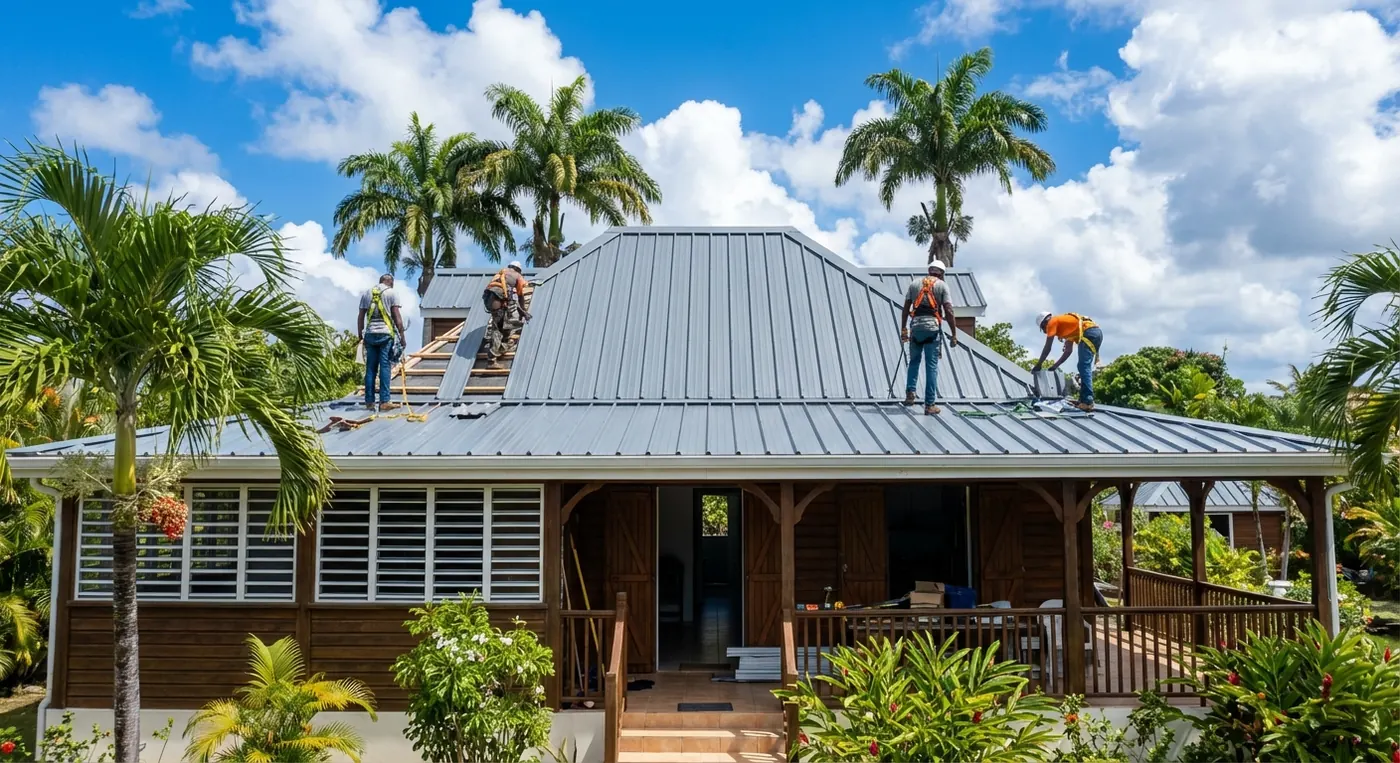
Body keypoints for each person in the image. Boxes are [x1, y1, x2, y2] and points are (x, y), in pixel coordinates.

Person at [900, 260, 958, 415]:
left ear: (930, 270)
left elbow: (906, 308)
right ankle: (929, 404)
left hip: (916, 328)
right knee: (931, 366)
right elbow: (949, 310)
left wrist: (903, 328)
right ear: (942, 273)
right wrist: (954, 333)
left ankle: (910, 395)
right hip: (932, 328)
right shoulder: (942, 286)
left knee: (914, 361)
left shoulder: (914, 284)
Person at [1031, 311, 1104, 411]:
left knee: (1083, 366)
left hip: (1090, 333)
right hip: (1094, 333)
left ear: (1045, 323)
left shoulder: (1052, 322)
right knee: (1082, 366)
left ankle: (1087, 401)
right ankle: (1083, 400)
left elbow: (1047, 347)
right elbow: (1068, 351)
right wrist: (1054, 366)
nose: (1046, 332)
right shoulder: (1069, 328)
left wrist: (1039, 365)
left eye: (1044, 329)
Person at [357, 274, 406, 412]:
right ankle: (384, 401)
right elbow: (396, 316)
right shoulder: (391, 293)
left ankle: (369, 402)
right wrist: (402, 336)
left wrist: (360, 335)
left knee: (370, 368)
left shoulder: (367, 293)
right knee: (385, 366)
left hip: (370, 335)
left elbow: (361, 316)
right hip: (385, 334)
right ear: (390, 282)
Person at [482, 261, 533, 367]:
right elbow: (520, 296)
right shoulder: (517, 276)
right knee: (498, 329)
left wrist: (519, 310)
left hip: (489, 301)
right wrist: (524, 311)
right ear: (519, 269)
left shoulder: (502, 272)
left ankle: (500, 348)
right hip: (498, 301)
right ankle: (491, 361)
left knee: (503, 326)